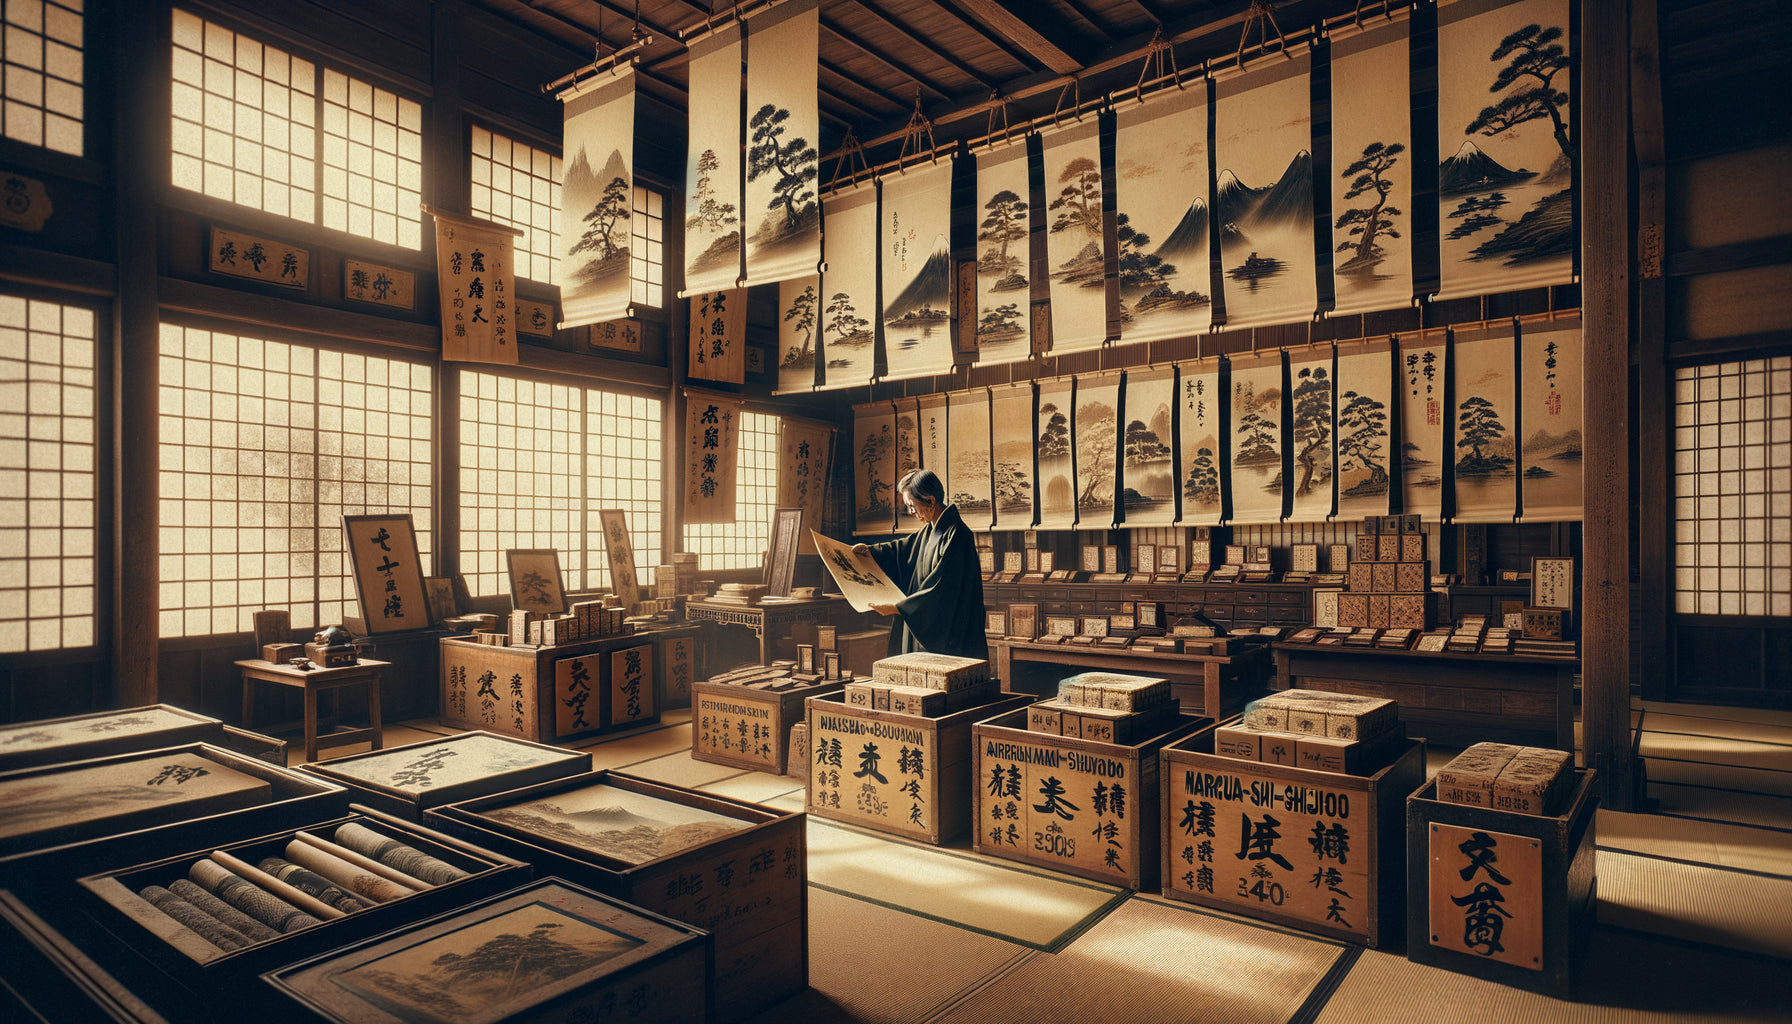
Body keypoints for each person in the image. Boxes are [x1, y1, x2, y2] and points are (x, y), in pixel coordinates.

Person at [852, 468, 988, 662]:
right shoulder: (929, 531)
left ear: (931, 501)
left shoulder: (958, 535)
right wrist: (871, 552)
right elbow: (900, 550)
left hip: (950, 630)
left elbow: (942, 589)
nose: (911, 511)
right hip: (923, 622)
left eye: (912, 505)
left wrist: (900, 608)